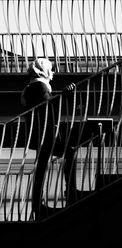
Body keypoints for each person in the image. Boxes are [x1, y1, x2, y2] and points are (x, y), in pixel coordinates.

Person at [21, 58, 75, 220]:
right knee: (70, 152)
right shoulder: (39, 86)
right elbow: (47, 107)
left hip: (40, 134)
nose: (52, 73)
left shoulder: (32, 87)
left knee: (42, 167)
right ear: (42, 70)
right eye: (50, 69)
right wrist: (64, 96)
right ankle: (70, 192)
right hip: (45, 134)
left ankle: (38, 204)